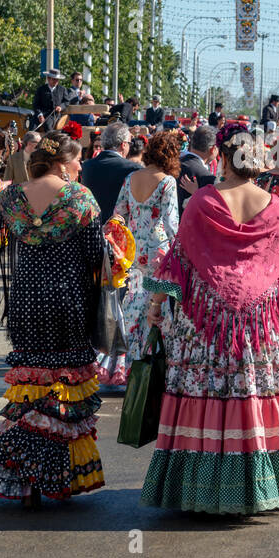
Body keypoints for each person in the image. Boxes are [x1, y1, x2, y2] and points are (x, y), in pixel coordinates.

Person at [141, 123, 279, 513]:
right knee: (252, 395)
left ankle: (201, 491)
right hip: (259, 326)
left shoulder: (202, 202)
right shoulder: (274, 207)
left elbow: (178, 260)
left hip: (206, 325)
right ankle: (257, 490)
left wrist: (155, 306)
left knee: (206, 397)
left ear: (223, 159)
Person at [0, 132, 106, 506]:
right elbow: (96, 255)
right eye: (77, 160)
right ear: (62, 163)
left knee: (32, 386)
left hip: (26, 301)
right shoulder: (80, 199)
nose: (80, 166)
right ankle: (52, 474)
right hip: (68, 300)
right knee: (62, 386)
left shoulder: (10, 197)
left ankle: (26, 479)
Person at [101, 129, 181, 390]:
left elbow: (118, 214)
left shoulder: (131, 177)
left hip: (134, 249)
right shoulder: (167, 182)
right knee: (158, 307)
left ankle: (123, 363)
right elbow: (171, 223)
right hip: (158, 250)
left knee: (134, 302)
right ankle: (154, 361)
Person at [78, 122, 136, 223]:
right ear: (124, 145)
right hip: (120, 229)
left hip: (92, 226)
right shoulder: (133, 168)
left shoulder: (87, 166)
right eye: (130, 143)